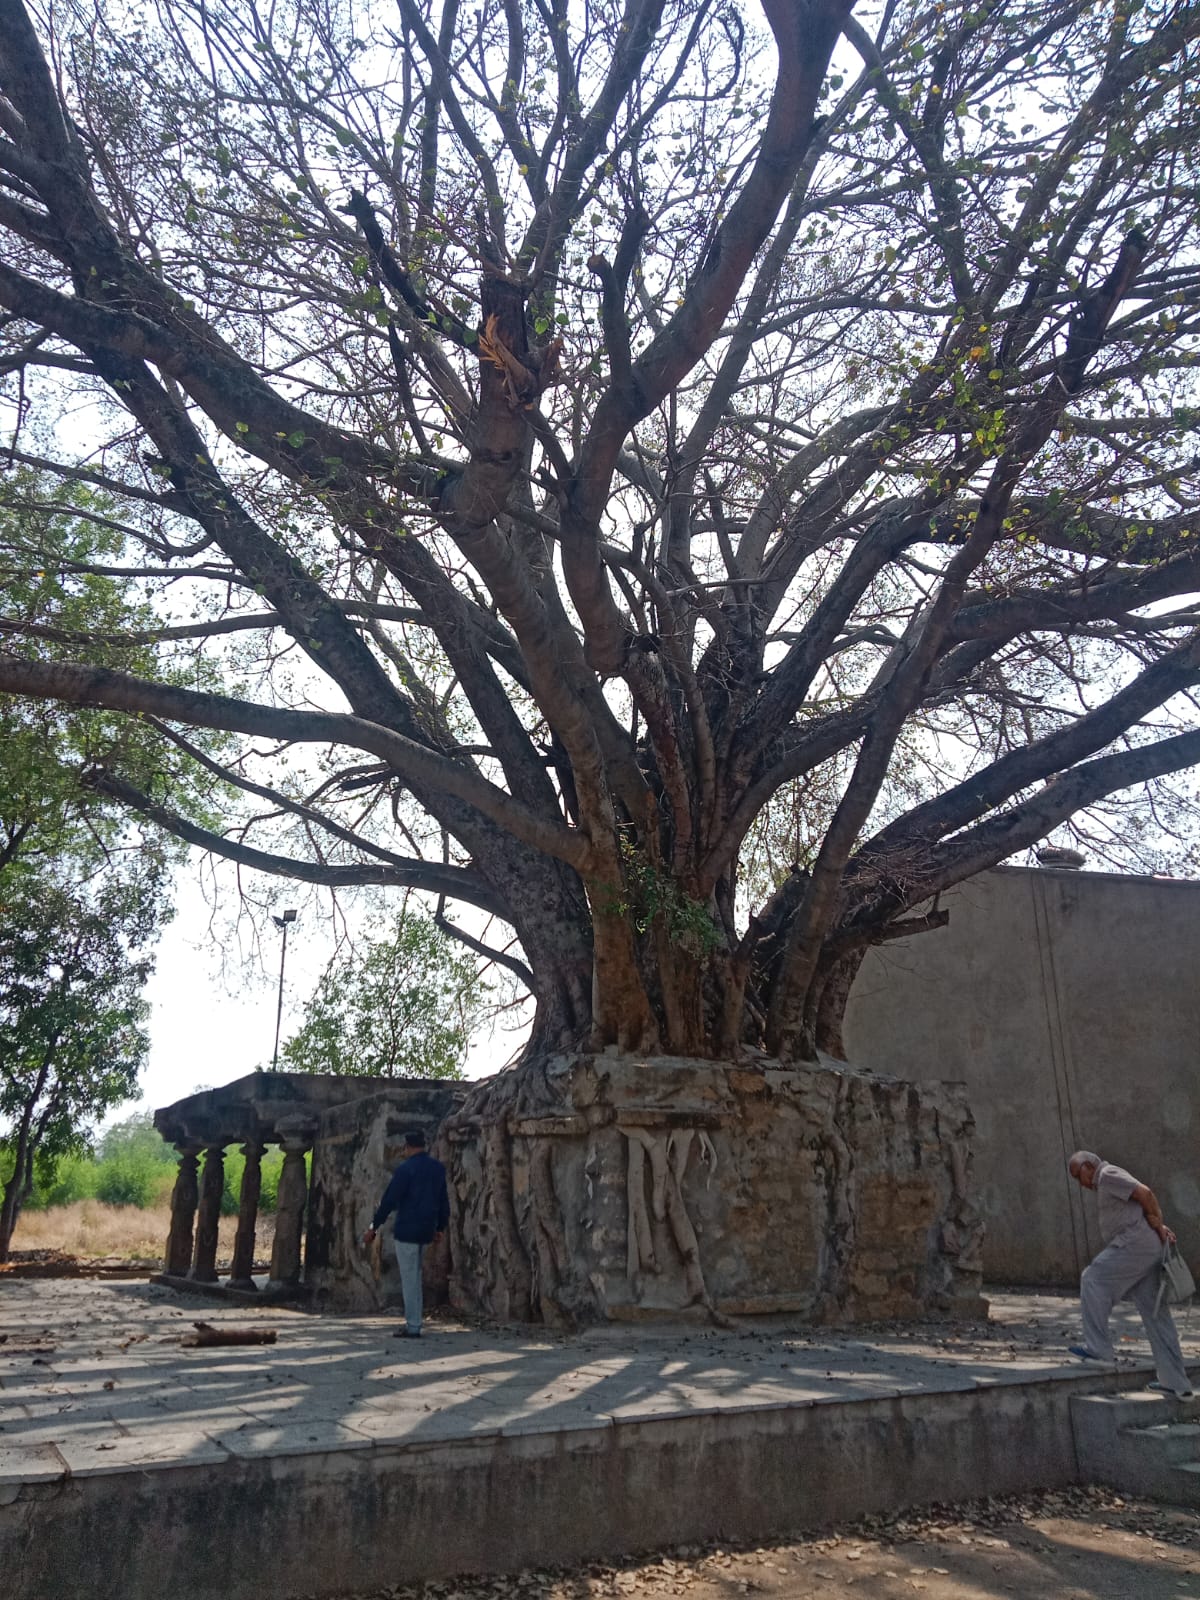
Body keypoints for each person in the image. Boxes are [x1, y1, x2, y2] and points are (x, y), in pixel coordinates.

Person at [1066, 1149, 1193, 1397]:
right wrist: (1156, 1225)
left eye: (1077, 1175)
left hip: (1135, 1245)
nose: (1079, 1183)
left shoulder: (1107, 1174)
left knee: (1092, 1279)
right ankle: (1176, 1383)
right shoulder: (1106, 1180)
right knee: (1156, 1314)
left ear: (1089, 1166)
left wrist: (1157, 1221)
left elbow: (1144, 1193)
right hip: (1142, 1249)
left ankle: (1099, 1350)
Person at [362, 1129, 449, 1339]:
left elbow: (389, 1201)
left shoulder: (405, 1169)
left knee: (410, 1278)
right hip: (427, 1229)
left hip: (407, 1230)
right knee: (416, 1276)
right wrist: (440, 1228)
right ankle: (415, 1320)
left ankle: (413, 1325)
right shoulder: (437, 1169)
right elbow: (443, 1200)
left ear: (407, 1147)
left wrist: (374, 1226)